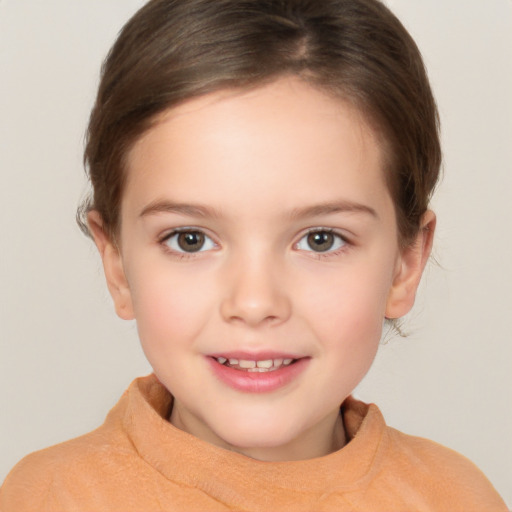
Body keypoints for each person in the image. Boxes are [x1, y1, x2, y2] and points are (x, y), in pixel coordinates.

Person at [0, 0, 507, 510]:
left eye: (320, 239)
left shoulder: (457, 498)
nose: (255, 302)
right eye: (190, 239)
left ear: (406, 262)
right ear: (116, 265)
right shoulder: (48, 497)